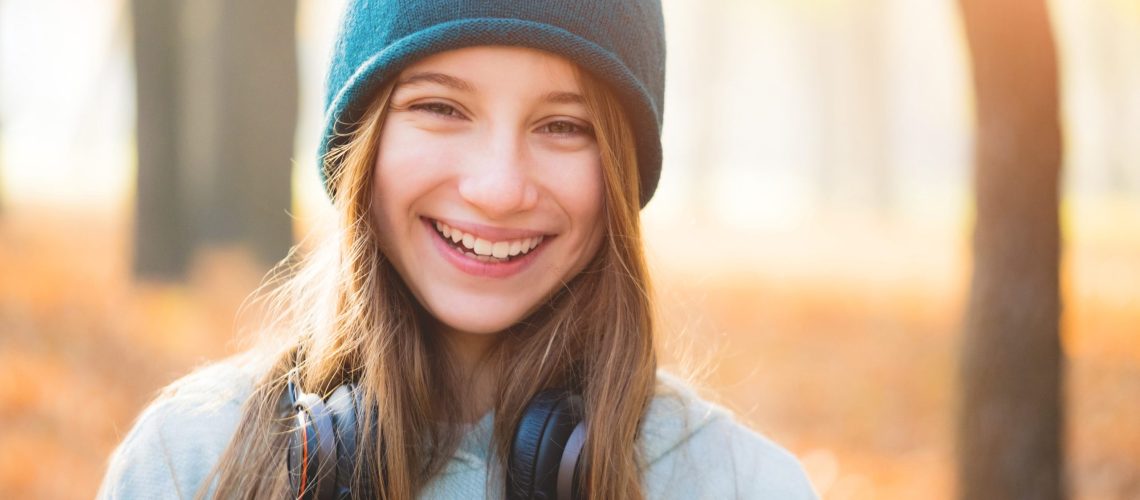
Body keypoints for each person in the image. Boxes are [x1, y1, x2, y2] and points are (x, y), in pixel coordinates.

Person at [98, 1, 818, 498]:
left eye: (564, 125)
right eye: (441, 108)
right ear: (363, 145)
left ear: (623, 173)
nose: (499, 188)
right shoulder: (186, 462)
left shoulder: (742, 486)